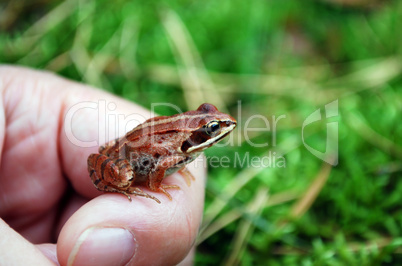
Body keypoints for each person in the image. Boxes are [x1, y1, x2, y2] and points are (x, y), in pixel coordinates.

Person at [0, 66, 204, 265]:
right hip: (124, 160)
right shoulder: (176, 150)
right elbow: (161, 166)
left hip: (120, 147)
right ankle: (121, 184)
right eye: (211, 128)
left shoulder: (183, 147)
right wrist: (156, 187)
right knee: (125, 179)